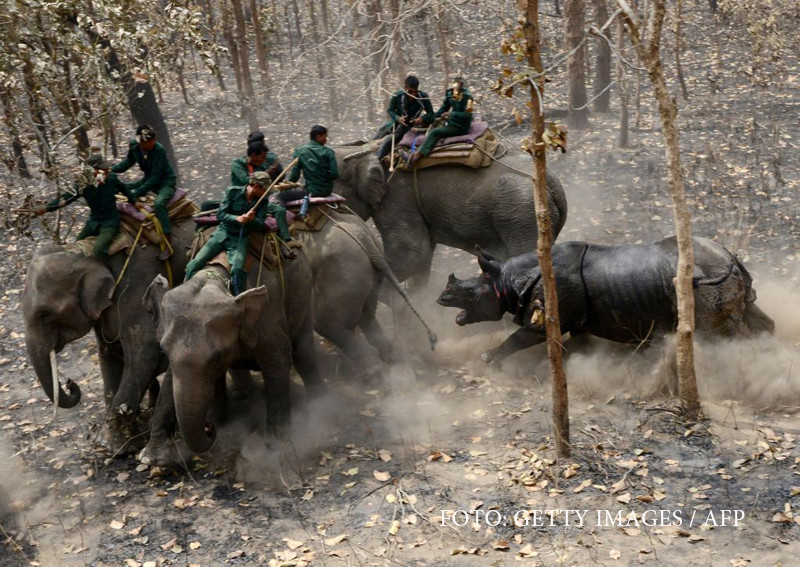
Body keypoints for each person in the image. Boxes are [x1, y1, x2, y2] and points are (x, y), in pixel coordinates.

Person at [184, 171, 292, 294]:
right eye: (265, 190)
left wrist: (253, 220)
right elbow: (220, 215)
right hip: (222, 233)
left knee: (238, 270)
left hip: (240, 239)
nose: (266, 193)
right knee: (194, 263)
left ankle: (238, 300)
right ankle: (185, 291)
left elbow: (261, 224)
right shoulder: (232, 192)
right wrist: (237, 218)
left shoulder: (263, 202)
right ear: (256, 186)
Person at [35, 153, 135, 261]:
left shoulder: (111, 179)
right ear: (93, 170)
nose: (107, 171)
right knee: (77, 246)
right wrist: (47, 208)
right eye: (103, 169)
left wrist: (134, 201)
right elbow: (66, 198)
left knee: (99, 250)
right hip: (94, 221)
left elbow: (124, 189)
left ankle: (110, 270)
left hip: (110, 222)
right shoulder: (82, 185)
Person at [112, 125, 177, 260]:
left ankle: (168, 243)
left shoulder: (159, 150)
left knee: (159, 204)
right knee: (122, 188)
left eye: (153, 140)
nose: (152, 143)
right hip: (147, 180)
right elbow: (128, 162)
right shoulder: (135, 147)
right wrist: (110, 171)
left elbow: (155, 177)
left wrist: (136, 193)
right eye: (148, 142)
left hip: (164, 182)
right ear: (140, 142)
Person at [410, 77, 474, 165]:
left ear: (461, 85)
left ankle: (417, 155)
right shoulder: (450, 93)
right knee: (430, 125)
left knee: (435, 132)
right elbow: (444, 108)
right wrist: (431, 118)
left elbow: (468, 115)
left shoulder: (468, 97)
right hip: (451, 121)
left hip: (460, 126)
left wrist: (451, 114)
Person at [275, 125, 339, 206]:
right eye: (325, 137)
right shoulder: (329, 152)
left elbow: (294, 176)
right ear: (318, 136)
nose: (326, 140)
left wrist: (288, 185)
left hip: (310, 191)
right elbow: (334, 174)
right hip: (327, 191)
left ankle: (283, 216)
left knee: (279, 196)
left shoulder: (300, 151)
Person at [376, 75, 434, 161]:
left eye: (415, 92)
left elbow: (431, 113)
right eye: (410, 92)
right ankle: (378, 160)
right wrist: (398, 118)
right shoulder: (397, 96)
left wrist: (421, 119)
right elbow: (390, 110)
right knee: (387, 140)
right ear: (405, 88)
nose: (413, 95)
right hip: (399, 124)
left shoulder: (423, 97)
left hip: (415, 125)